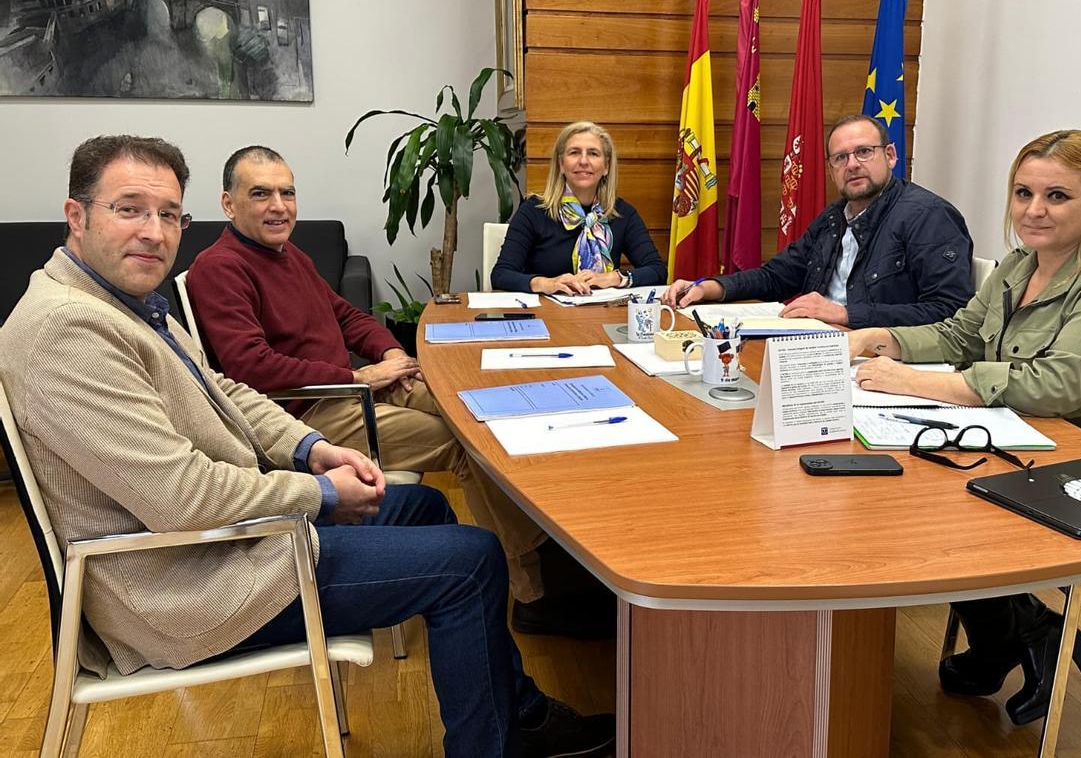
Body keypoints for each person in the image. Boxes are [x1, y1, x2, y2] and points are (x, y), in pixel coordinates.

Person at [0, 135, 614, 758]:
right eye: (129, 209)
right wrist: (320, 494)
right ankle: (506, 737)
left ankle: (522, 715)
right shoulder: (65, 330)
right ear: (76, 216)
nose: (154, 232)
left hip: (235, 539)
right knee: (471, 562)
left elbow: (223, 390)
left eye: (167, 214)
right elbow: (182, 496)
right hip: (188, 585)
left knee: (427, 509)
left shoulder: (120, 301)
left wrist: (312, 450)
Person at [848, 129, 1081, 726]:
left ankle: (1019, 636)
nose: (1034, 211)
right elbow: (960, 336)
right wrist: (878, 339)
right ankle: (1021, 634)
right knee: (929, 487)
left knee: (949, 503)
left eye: (1058, 196)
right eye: (1023, 192)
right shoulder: (1019, 265)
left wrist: (914, 382)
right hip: (1046, 453)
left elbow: (1054, 386)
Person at [188, 146, 609, 639]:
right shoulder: (219, 269)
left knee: (481, 402)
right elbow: (249, 368)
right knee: (466, 442)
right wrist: (355, 378)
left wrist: (388, 354)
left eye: (287, 192)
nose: (279, 205)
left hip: (354, 391)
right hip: (309, 415)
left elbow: (346, 315)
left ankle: (557, 543)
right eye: (261, 194)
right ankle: (534, 590)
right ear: (228, 203)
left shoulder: (288, 254)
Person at [663, 114, 974, 327]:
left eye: (864, 152)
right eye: (840, 158)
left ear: (890, 155)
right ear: (831, 170)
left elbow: (949, 313)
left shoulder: (929, 216)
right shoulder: (834, 217)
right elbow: (777, 276)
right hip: (820, 346)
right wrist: (709, 287)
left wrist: (846, 314)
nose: (852, 164)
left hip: (880, 357)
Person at [491, 121, 666, 295]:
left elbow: (657, 271)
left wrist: (615, 278)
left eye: (593, 153)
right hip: (547, 316)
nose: (583, 161)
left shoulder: (622, 213)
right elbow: (501, 275)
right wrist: (547, 283)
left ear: (606, 166)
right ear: (561, 164)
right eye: (574, 153)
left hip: (604, 315)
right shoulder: (534, 211)